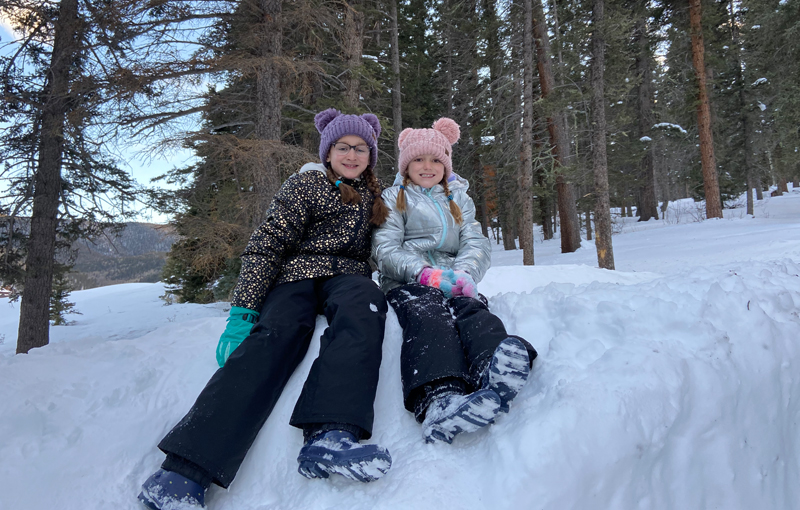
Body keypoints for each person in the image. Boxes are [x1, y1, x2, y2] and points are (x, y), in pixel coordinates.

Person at [138, 109, 393, 510]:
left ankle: (330, 435)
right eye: (343, 146)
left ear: (371, 154)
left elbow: (397, 244)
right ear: (328, 151)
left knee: (365, 308)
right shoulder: (306, 185)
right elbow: (267, 244)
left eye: (361, 148)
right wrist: (244, 310)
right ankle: (185, 471)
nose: (352, 153)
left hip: (349, 278)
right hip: (296, 275)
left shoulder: (377, 197)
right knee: (279, 333)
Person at [371, 118, 538, 444]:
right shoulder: (393, 198)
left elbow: (476, 243)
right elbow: (384, 248)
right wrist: (424, 274)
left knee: (474, 311)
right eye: (419, 159)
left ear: (445, 164)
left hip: (453, 278)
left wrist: (462, 275)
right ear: (407, 164)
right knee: (428, 315)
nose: (428, 166)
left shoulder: (458, 198)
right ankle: (439, 398)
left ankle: (492, 367)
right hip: (409, 281)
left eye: (435, 159)